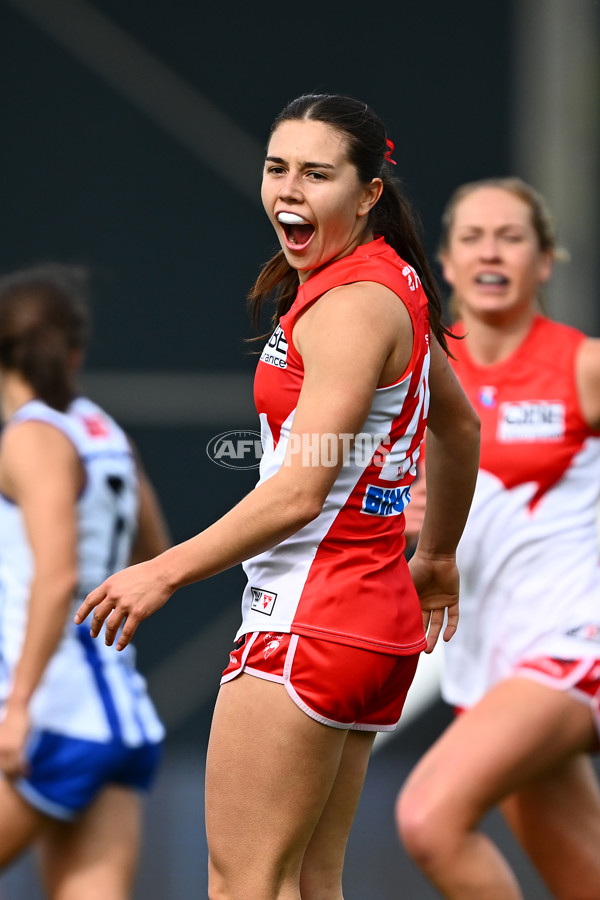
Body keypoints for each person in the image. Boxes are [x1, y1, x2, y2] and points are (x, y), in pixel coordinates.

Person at [75, 93, 480, 900]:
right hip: (374, 621)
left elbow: (300, 492)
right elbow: (460, 424)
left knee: (245, 883)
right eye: (276, 168)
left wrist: (162, 572)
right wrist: (433, 559)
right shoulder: (391, 281)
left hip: (311, 616)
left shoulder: (349, 308)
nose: (288, 190)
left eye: (317, 174)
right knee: (308, 881)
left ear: (368, 194)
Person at [396, 177, 600, 900]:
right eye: (472, 238)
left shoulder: (583, 366)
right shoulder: (418, 373)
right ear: (444, 264)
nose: (491, 252)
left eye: (511, 237)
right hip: (485, 669)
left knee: (429, 819)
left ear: (545, 261)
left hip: (571, 651)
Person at [0, 263, 169, 899]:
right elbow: (154, 550)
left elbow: (57, 575)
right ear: (75, 351)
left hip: (54, 717)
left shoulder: (30, 437)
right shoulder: (102, 429)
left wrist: (16, 709)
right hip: (119, 720)